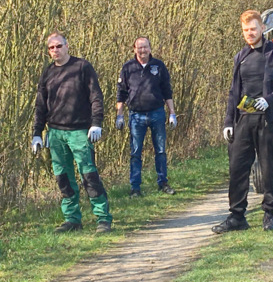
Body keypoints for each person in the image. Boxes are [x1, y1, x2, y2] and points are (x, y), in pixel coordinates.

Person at [213, 10, 273, 234]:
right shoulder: (240, 57)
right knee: (237, 167)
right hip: (243, 119)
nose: (249, 33)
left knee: (269, 168)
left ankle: (269, 214)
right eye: (245, 30)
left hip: (269, 120)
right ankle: (237, 216)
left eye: (253, 29)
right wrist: (228, 121)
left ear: (262, 29)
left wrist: (269, 101)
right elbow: (233, 92)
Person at [32, 31, 113, 234]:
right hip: (56, 133)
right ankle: (72, 219)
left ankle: (102, 218)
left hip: (80, 132)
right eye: (51, 48)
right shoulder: (48, 73)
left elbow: (96, 95)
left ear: (67, 46)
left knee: (89, 175)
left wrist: (96, 123)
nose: (55, 50)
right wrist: (37, 132)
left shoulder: (82, 67)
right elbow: (41, 105)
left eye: (59, 46)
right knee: (63, 177)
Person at [116, 37, 177, 198]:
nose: (142, 50)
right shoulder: (128, 68)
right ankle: (135, 188)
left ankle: (163, 183)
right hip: (136, 116)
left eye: (145, 47)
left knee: (161, 150)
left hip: (157, 113)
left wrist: (172, 113)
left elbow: (167, 91)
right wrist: (119, 116)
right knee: (136, 152)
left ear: (150, 48)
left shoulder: (159, 66)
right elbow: (121, 93)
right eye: (139, 48)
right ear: (134, 49)